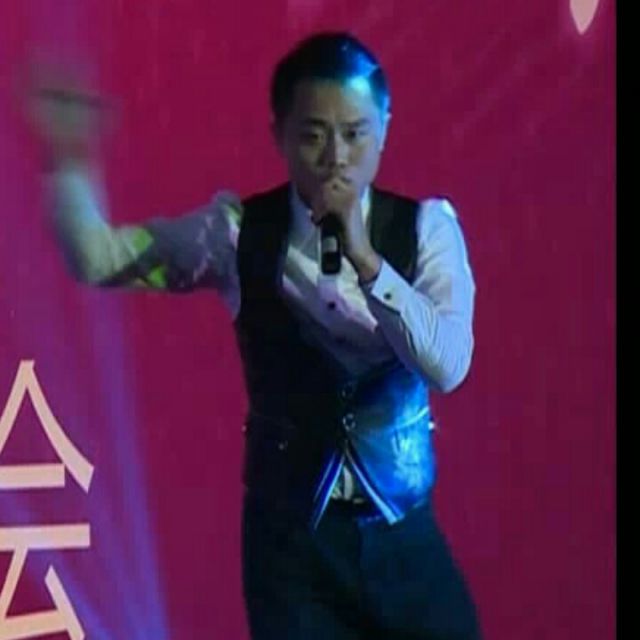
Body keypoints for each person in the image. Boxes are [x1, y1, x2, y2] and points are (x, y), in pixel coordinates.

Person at [32, 31, 480, 640]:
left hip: (403, 537)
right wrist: (68, 162)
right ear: (280, 136)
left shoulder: (428, 230)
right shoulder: (236, 235)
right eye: (314, 135)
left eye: (355, 134)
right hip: (290, 550)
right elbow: (101, 258)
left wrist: (368, 263)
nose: (336, 158)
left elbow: (449, 365)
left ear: (384, 129)